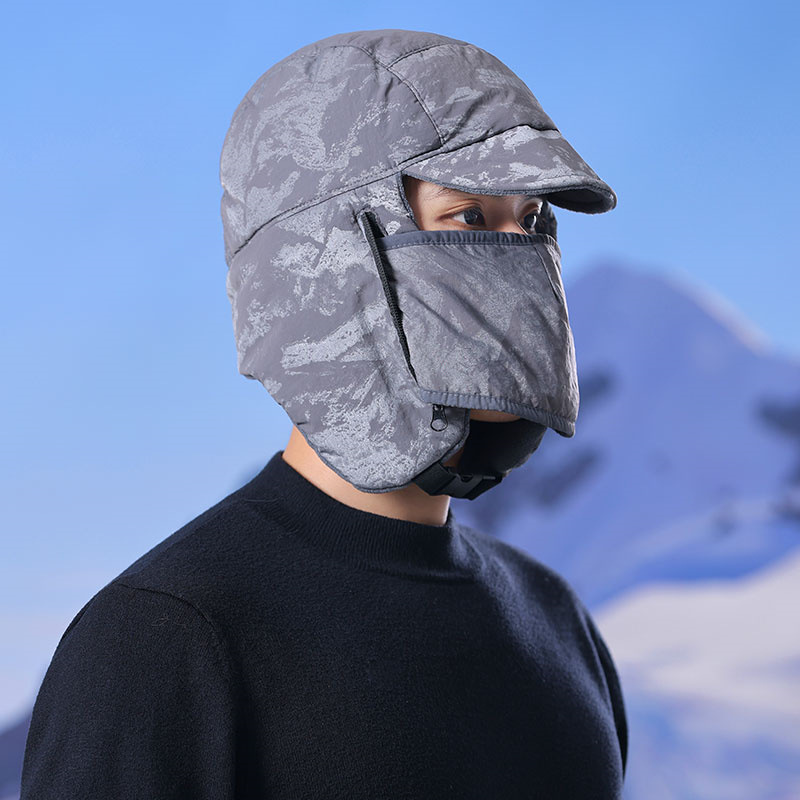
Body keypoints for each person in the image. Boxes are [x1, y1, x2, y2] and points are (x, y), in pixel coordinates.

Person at [20, 29, 628, 799]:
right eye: (470, 218)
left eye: (532, 220)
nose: (522, 258)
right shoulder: (163, 639)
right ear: (325, 263)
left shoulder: (559, 623)